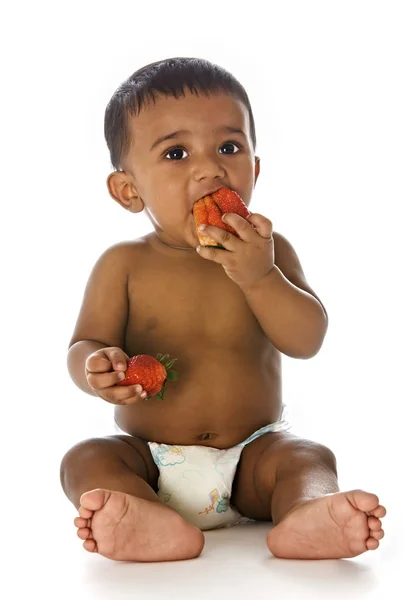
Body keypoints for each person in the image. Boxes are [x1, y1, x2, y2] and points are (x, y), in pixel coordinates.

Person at [60, 57, 386, 562]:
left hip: (253, 456)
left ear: (254, 168)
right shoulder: (122, 265)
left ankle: (307, 512)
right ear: (129, 190)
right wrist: (96, 368)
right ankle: (146, 516)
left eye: (229, 148)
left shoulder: (269, 252)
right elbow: (87, 343)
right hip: (150, 457)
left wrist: (261, 278)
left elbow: (307, 339)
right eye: (175, 153)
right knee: (85, 459)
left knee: (307, 456)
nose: (209, 168)